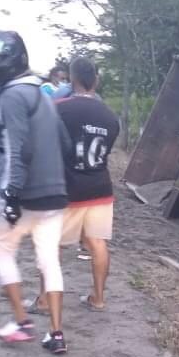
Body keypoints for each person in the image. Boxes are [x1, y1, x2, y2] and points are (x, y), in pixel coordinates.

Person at [0, 29, 69, 354]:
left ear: (10, 59)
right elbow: (65, 142)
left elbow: (19, 149)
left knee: (2, 252)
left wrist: (11, 194)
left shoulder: (10, 95)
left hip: (25, 194)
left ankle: (22, 322)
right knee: (49, 261)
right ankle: (56, 333)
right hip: (55, 195)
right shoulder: (43, 92)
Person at [30, 56, 120, 313]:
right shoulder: (110, 117)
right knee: (97, 243)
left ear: (72, 79)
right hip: (100, 189)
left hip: (67, 190)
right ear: (97, 80)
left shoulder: (59, 108)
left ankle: (45, 300)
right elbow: (106, 152)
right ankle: (99, 299)